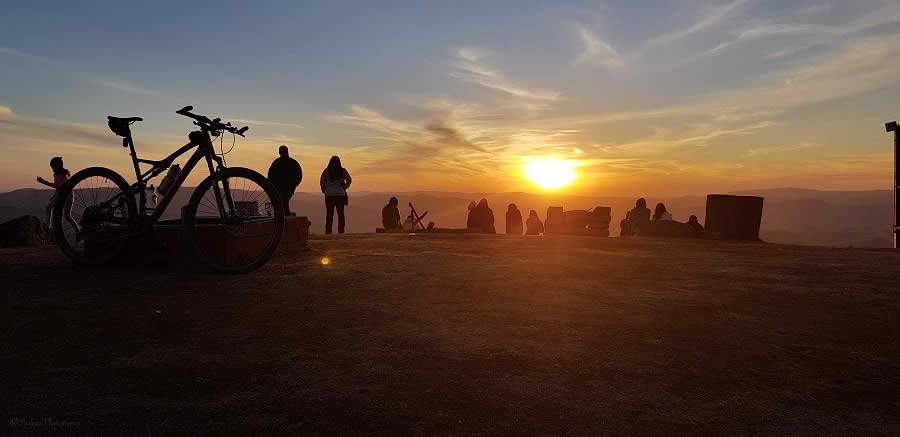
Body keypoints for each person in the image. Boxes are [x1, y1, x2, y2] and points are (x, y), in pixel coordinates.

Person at [37, 156, 78, 231]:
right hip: (68, 195)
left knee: (49, 208)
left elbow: (58, 186)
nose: (52, 169)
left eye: (53, 167)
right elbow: (59, 187)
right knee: (67, 216)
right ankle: (77, 230)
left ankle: (48, 227)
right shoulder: (64, 173)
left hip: (64, 195)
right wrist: (54, 196)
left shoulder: (59, 174)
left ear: (57, 166)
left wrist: (44, 182)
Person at [319, 156, 352, 234]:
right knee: (341, 214)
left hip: (329, 195)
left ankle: (328, 232)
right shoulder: (342, 171)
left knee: (329, 214)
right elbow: (349, 179)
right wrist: (344, 187)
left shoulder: (326, 171)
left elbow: (322, 182)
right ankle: (341, 232)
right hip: (340, 195)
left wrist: (325, 190)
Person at [267, 145, 302, 216]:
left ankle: (284, 216)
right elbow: (299, 176)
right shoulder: (293, 163)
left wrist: (293, 186)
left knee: (283, 202)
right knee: (284, 202)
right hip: (283, 188)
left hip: (284, 188)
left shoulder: (277, 162)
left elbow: (270, 175)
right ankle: (285, 216)